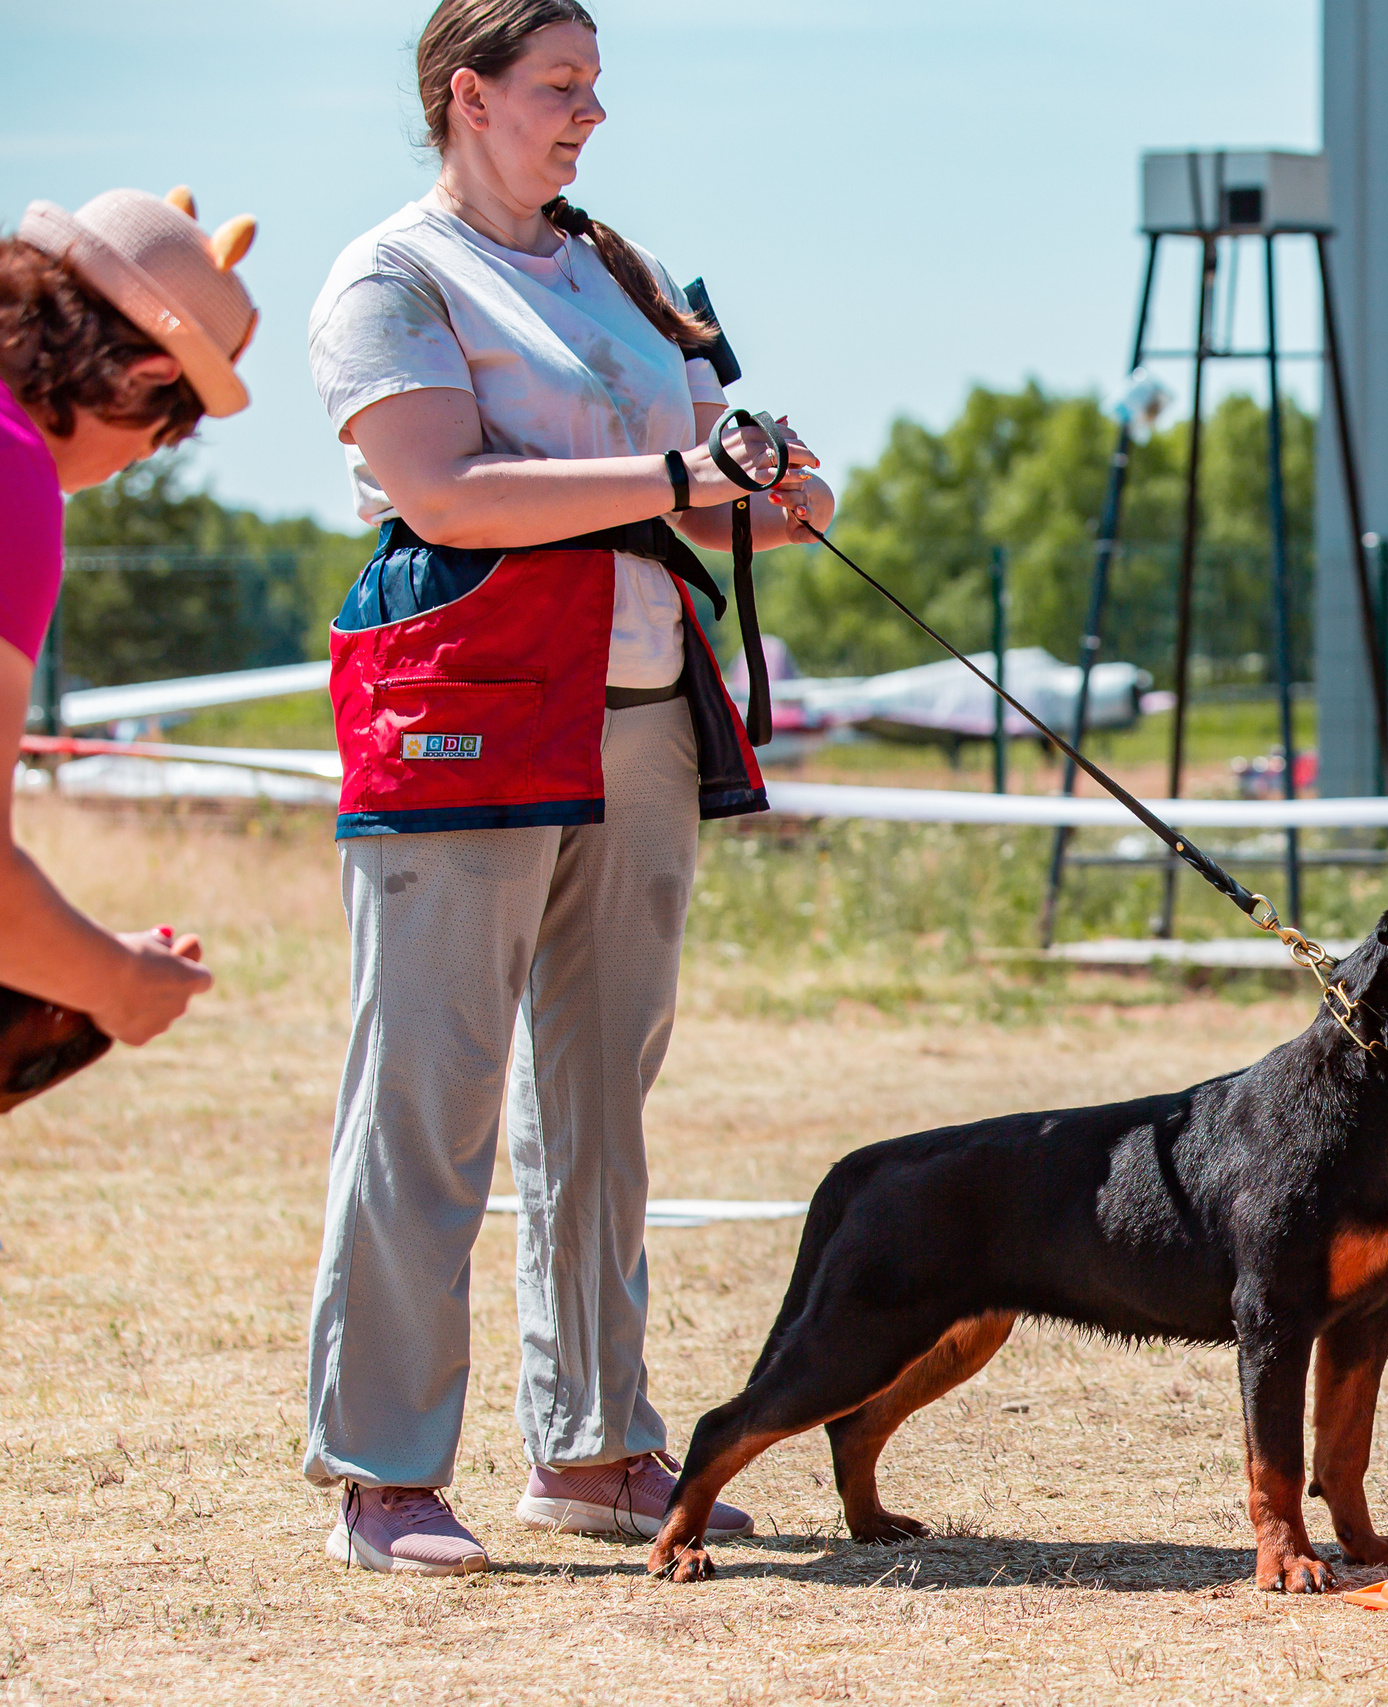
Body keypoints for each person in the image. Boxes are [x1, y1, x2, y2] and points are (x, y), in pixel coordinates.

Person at [302, 0, 835, 1576]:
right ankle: (383, 1470)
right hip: (472, 709)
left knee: (603, 1096)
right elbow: (441, 486)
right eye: (563, 86)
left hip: (644, 709)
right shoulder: (392, 276)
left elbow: (692, 458)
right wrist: (680, 477)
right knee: (430, 1095)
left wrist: (768, 486)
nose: (593, 112)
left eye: (596, 84)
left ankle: (596, 1441)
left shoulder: (618, 267)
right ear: (469, 98)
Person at [0, 187, 255, 1048]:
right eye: (153, 444)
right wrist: (120, 983)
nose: (118, 472)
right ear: (148, 378)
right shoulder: (14, 476)